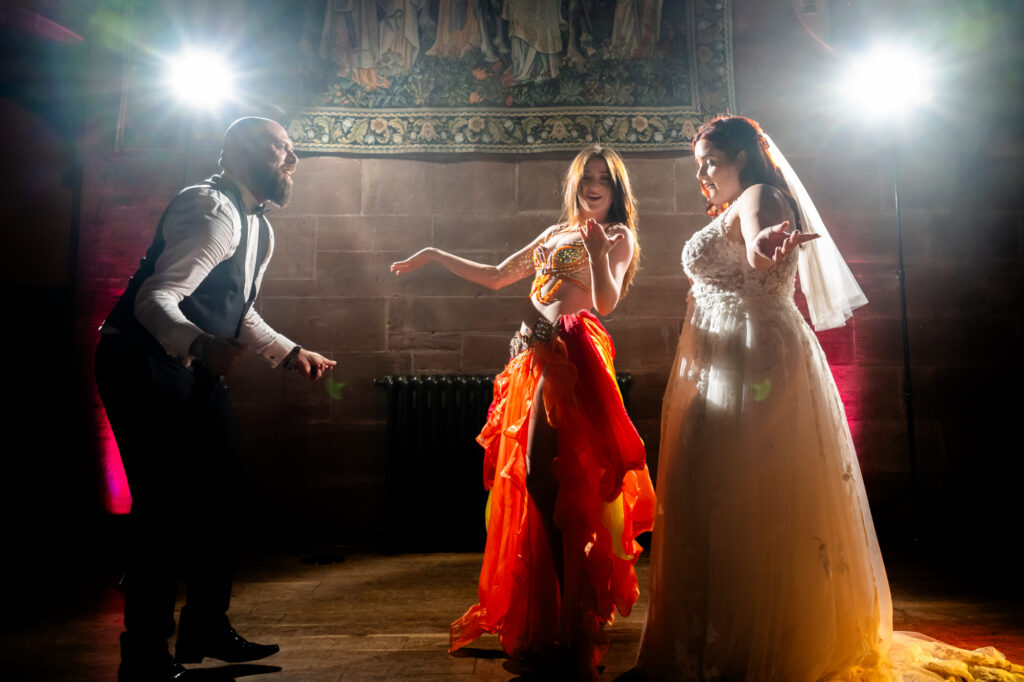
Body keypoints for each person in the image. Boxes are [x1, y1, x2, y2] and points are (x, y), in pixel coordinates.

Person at [636, 115, 1024, 680]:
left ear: (741, 157)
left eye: (710, 161)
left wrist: (769, 246)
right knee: (719, 490)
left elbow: (757, 254)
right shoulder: (741, 199)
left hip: (752, 358)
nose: (703, 173)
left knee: (746, 491)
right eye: (700, 165)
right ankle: (716, 633)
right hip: (729, 356)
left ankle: (756, 643)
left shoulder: (759, 196)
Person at [390, 145, 656, 679]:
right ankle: (557, 614)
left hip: (572, 354)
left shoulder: (618, 236)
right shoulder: (555, 233)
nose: (594, 187)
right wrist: (435, 255)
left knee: (548, 479)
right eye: (587, 178)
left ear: (617, 188)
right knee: (537, 484)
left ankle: (574, 618)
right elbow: (496, 275)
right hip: (532, 353)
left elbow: (604, 302)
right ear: (575, 184)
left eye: (604, 179)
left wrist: (600, 252)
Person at [95, 117, 337, 682]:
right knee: (165, 506)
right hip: (139, 360)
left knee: (223, 492)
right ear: (242, 152)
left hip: (187, 363)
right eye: (283, 150)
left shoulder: (259, 226)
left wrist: (288, 350)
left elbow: (235, 306)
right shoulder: (211, 210)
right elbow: (156, 300)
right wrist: (202, 344)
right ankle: (145, 655)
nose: (292, 163)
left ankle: (204, 627)